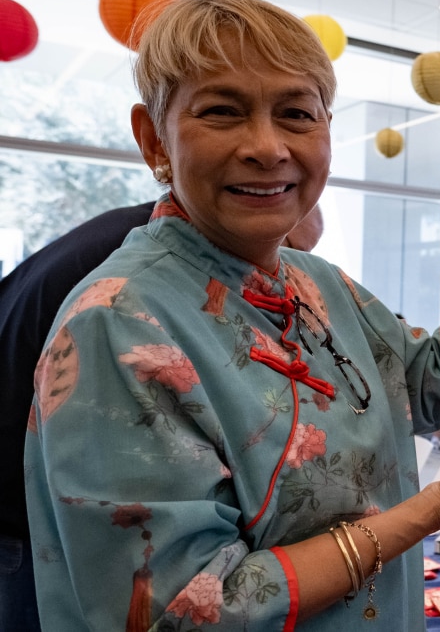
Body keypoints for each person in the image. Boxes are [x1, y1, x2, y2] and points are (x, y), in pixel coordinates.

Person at [23, 0, 440, 631]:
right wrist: (428, 512)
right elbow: (190, 608)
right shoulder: (117, 323)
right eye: (223, 112)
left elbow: (434, 382)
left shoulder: (317, 282)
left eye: (296, 114)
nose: (267, 146)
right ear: (154, 138)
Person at [0, 201, 324, 630]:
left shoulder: (131, 237)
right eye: (284, 251)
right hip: (25, 516)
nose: (275, 276)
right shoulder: (142, 278)